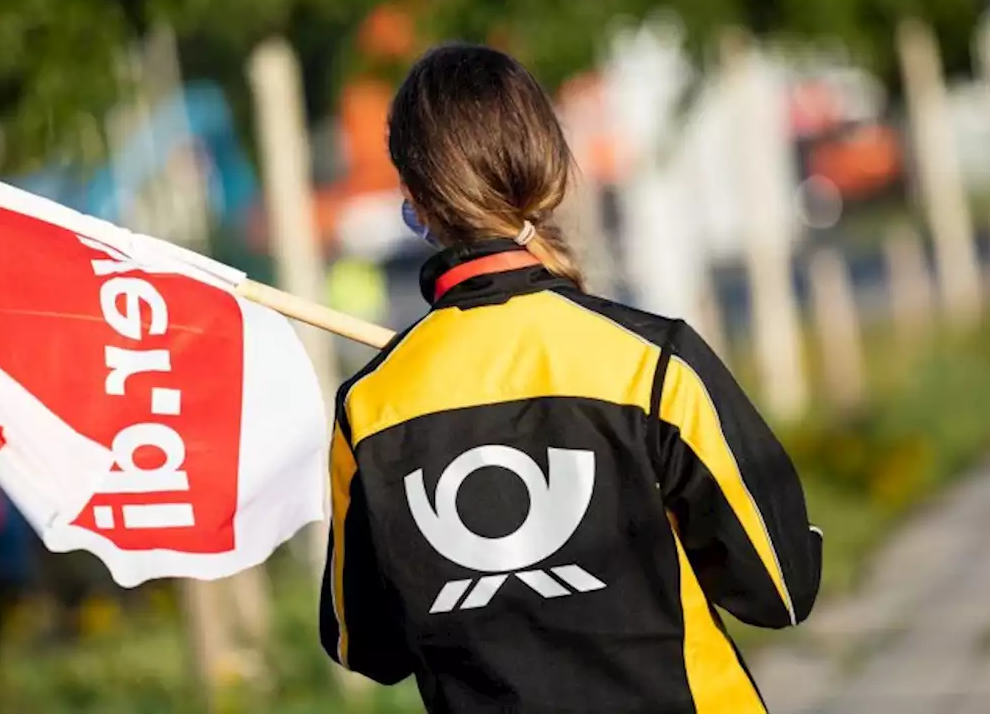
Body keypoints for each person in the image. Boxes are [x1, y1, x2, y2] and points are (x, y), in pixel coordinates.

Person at [319, 42, 823, 714]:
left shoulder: (372, 405)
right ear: (553, 171)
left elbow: (364, 645)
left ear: (416, 199)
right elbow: (780, 589)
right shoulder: (652, 362)